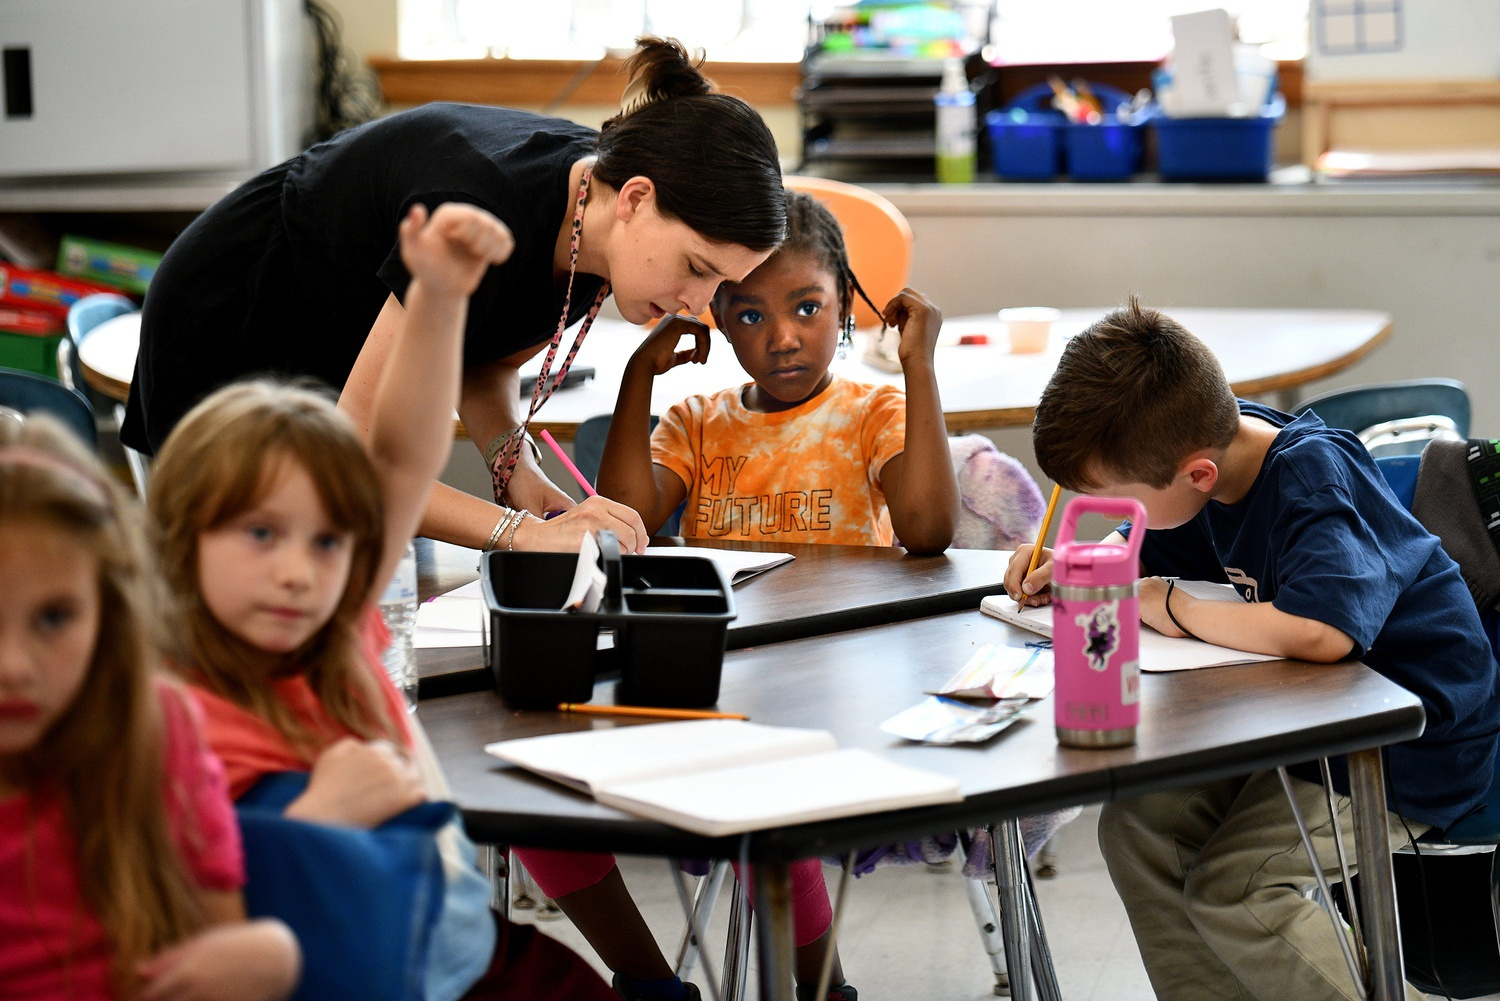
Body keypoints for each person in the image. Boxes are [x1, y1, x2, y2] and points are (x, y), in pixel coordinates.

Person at [147, 200, 621, 1001]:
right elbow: (181, 923)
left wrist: (437, 298)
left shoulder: (334, 621)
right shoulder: (163, 705)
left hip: (465, 959)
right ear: (183, 540)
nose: (301, 570)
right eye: (261, 534)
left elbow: (400, 456)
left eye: (328, 540)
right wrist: (316, 821)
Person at [1002, 297, 1500, 1001]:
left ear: (1196, 473)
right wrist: (1072, 562)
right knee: (1137, 831)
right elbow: (1140, 550)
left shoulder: (1309, 477)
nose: (1119, 518)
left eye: (1120, 502)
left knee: (1235, 891)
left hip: (1410, 748)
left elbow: (1322, 632)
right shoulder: (1195, 467)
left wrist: (1176, 608)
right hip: (1299, 729)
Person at [124, 36, 785, 558]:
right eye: (696, 267)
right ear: (638, 198)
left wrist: (516, 468)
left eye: (719, 284)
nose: (698, 303)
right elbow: (360, 453)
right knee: (247, 582)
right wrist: (520, 532)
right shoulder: (479, 205)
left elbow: (485, 354)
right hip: (241, 309)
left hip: (338, 336)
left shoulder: (598, 222)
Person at [0, 413, 300, 1001]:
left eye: (55, 618)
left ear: (108, 614)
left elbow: (221, 946)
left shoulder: (158, 729)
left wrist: (266, 962)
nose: (14, 666)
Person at [596, 189, 958, 555]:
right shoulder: (696, 425)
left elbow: (927, 532)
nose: (783, 340)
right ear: (721, 320)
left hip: (844, 613)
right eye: (751, 317)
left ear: (845, 302)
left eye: (807, 308)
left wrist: (919, 363)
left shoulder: (874, 416)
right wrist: (638, 372)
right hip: (737, 615)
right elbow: (625, 521)